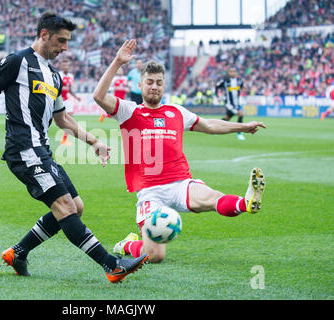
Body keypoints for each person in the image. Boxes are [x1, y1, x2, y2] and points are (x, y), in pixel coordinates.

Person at [0, 12, 147, 283]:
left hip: (42, 150)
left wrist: (94, 141)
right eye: (61, 40)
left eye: (68, 42)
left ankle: (18, 253)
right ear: (44, 34)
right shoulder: (16, 62)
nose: (65, 48)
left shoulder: (54, 75)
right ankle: (112, 265)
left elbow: (62, 118)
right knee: (65, 206)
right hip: (23, 149)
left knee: (77, 206)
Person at [93, 39, 266, 263]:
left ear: (164, 86)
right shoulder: (129, 111)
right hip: (150, 191)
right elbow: (99, 96)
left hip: (180, 183)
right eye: (150, 82)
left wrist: (242, 126)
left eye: (158, 82)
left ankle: (247, 203)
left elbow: (210, 125)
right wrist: (117, 61)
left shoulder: (176, 112)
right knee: (155, 256)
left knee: (213, 198)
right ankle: (127, 244)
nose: (154, 86)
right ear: (141, 86)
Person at [216, 67, 246, 141]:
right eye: (231, 71)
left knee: (226, 118)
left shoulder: (240, 81)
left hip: (237, 104)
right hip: (229, 104)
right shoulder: (225, 81)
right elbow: (217, 86)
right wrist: (218, 96)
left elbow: (242, 88)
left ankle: (215, 129)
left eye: (234, 71)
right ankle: (239, 134)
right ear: (229, 73)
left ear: (236, 72)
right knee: (241, 114)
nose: (233, 73)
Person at [59, 58, 81, 145]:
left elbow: (69, 89)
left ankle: (64, 139)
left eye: (68, 66)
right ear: (62, 66)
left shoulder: (71, 76)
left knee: (70, 118)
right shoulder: (59, 75)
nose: (66, 67)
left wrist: (76, 97)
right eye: (65, 65)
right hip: (58, 99)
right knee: (52, 118)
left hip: (66, 100)